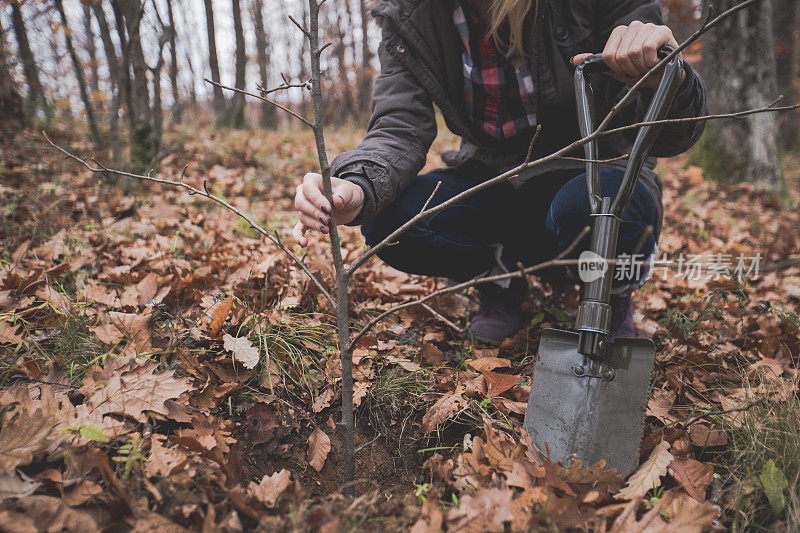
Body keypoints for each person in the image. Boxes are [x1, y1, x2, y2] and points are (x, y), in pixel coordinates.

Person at [293, 0, 707, 344]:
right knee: (392, 221)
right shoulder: (410, 15)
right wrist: (357, 183)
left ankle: (608, 289)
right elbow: (398, 125)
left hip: (595, 170)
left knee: (588, 209)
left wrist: (663, 72)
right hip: (490, 177)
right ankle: (500, 277)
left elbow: (673, 135)